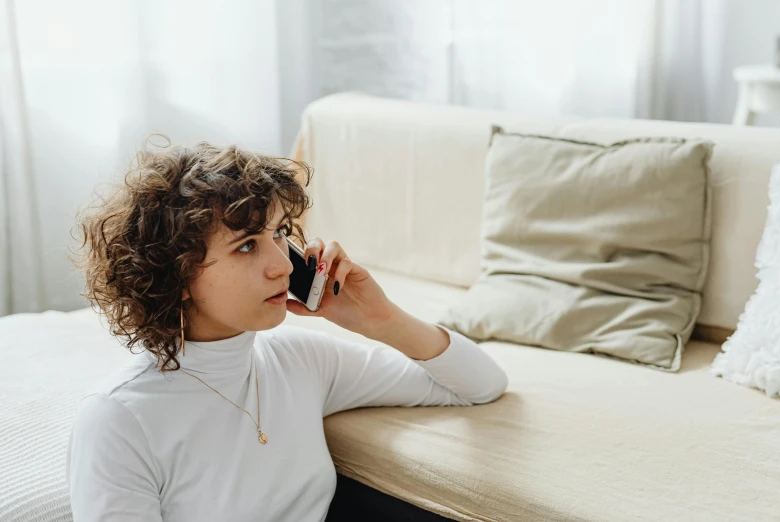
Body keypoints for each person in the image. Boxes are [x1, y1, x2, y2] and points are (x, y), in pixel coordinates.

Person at [65, 136, 508, 522]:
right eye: (246, 246)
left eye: (279, 234)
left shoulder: (303, 361)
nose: (281, 264)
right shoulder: (118, 422)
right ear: (174, 274)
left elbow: (479, 384)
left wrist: (381, 319)